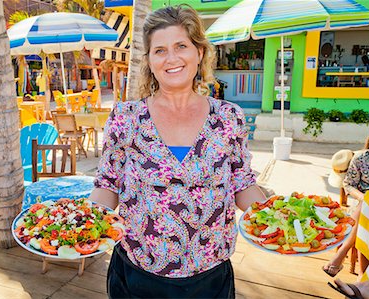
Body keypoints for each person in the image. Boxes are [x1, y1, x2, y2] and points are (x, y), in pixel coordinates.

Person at [88, 5, 266, 298]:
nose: (171, 58)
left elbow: (242, 184)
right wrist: (80, 223)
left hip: (210, 276)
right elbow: (107, 185)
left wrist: (279, 219)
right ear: (149, 60)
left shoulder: (228, 117)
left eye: (181, 46)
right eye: (159, 50)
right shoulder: (126, 116)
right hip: (137, 273)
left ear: (199, 52)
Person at [323, 125, 369, 277]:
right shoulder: (361, 159)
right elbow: (348, 185)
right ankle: (363, 275)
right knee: (367, 206)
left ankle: (343, 260)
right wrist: (364, 198)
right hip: (363, 204)